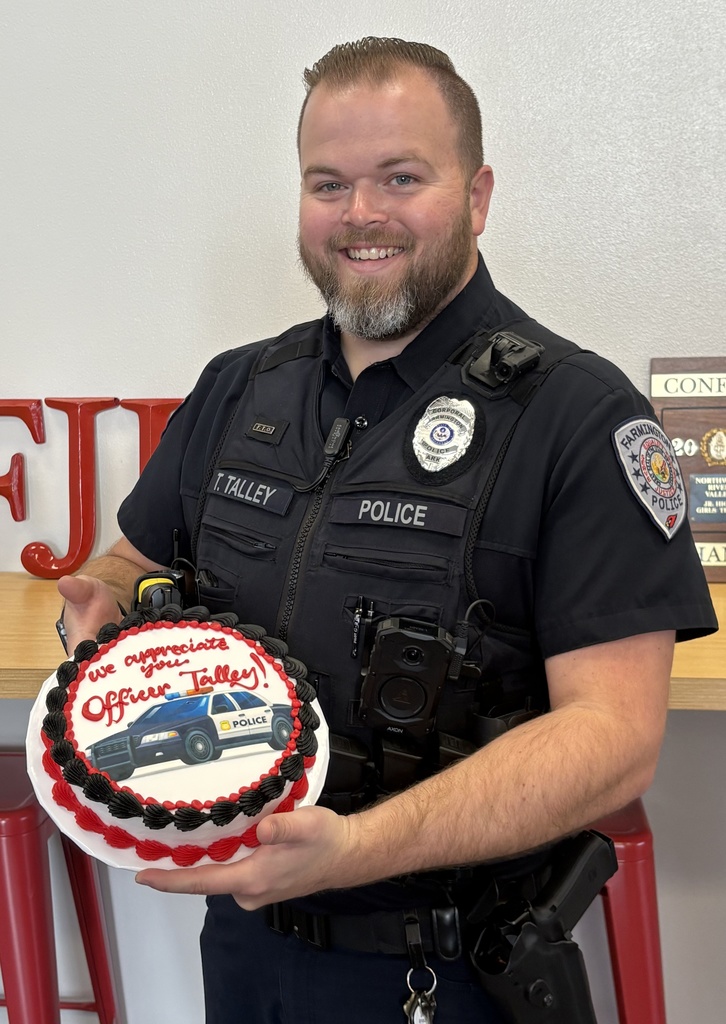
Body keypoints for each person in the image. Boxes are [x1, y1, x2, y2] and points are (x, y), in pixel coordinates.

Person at [57, 37, 717, 1024]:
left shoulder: (580, 418)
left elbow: (614, 738)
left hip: (442, 973)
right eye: (329, 183)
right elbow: (125, 563)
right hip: (243, 948)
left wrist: (355, 850)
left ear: (479, 193)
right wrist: (100, 624)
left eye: (401, 177)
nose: (361, 213)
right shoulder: (239, 387)